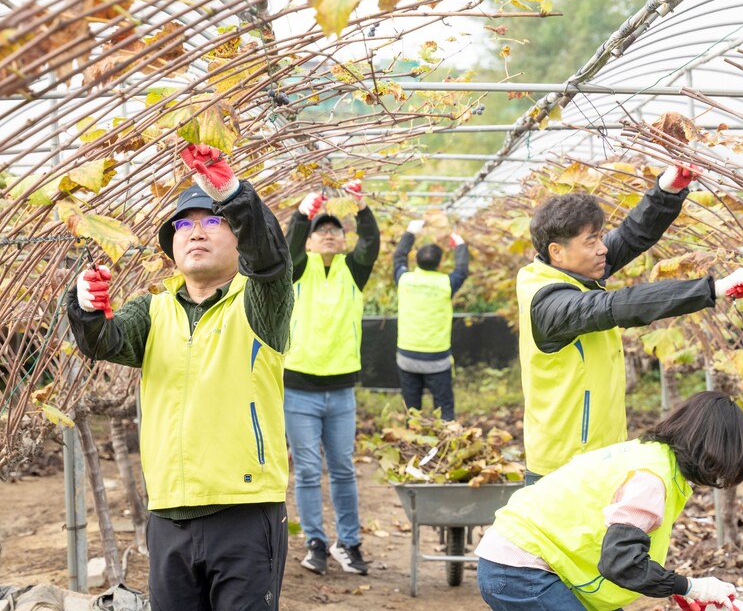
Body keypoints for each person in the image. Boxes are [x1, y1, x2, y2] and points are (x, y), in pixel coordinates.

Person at [66, 144, 293, 611]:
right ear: (171, 246)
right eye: (184, 225)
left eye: (213, 221)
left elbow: (271, 263)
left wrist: (232, 194)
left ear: (238, 239)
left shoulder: (260, 303)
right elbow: (103, 340)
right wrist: (86, 308)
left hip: (245, 512)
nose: (196, 233)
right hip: (168, 514)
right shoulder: (152, 310)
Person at [517, 162, 743, 485]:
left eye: (599, 237)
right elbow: (621, 305)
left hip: (597, 457)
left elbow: (630, 236)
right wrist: (715, 289)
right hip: (562, 469)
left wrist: (666, 191)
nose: (603, 249)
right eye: (591, 241)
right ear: (558, 251)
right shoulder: (550, 305)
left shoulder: (571, 273)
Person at [476, 390, 743, 611]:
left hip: (526, 559)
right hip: (520, 569)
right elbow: (621, 563)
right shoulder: (651, 478)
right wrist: (688, 586)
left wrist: (681, 587)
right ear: (715, 450)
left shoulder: (649, 455)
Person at [283, 184, 380, 576]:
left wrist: (359, 205)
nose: (328, 233)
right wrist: (301, 215)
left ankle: (350, 543)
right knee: (307, 470)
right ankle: (316, 543)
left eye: (335, 230)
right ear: (309, 241)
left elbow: (371, 241)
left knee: (342, 469)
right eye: (320, 229)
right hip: (299, 389)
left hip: (340, 390)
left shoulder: (352, 272)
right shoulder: (297, 271)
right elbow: (287, 248)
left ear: (343, 241)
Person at [392, 219, 469, 420]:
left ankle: (413, 445)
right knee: (444, 408)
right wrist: (459, 245)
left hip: (407, 357)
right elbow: (462, 269)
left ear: (416, 260)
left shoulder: (404, 280)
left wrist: (410, 232)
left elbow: (399, 257)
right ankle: (444, 442)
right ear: (440, 263)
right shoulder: (446, 283)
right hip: (437, 359)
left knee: (412, 409)